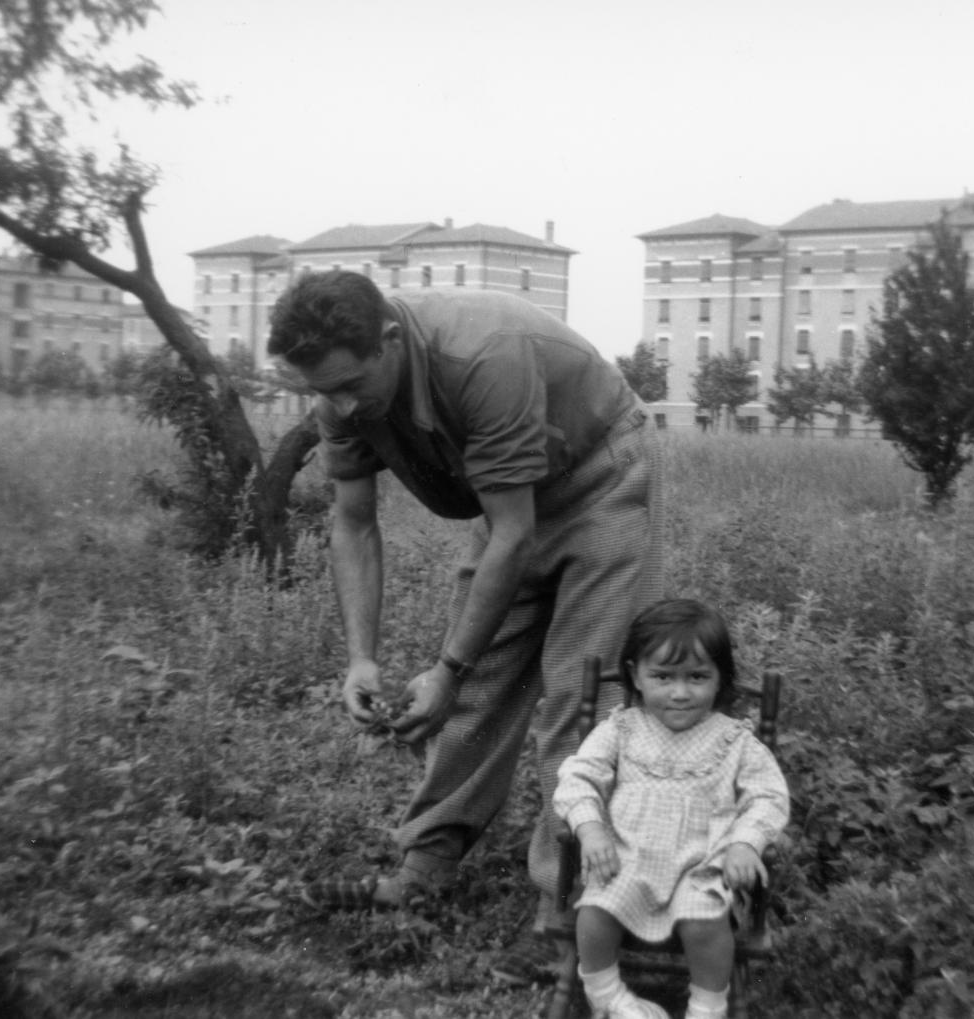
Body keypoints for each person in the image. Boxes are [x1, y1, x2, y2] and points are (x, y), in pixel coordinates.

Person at [266, 270, 665, 983]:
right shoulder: (341, 396)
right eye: (320, 391)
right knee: (475, 685)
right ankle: (427, 864)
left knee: (579, 698)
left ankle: (568, 916)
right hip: (510, 495)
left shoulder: (485, 354)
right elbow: (353, 522)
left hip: (599, 474)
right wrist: (362, 658)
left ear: (390, 339)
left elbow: (512, 534)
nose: (338, 405)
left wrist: (446, 669)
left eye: (349, 384)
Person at [553, 599, 790, 1019]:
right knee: (595, 911)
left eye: (697, 677)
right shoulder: (620, 729)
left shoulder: (735, 742)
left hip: (701, 868)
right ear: (636, 677)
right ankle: (606, 994)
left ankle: (706, 1006)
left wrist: (746, 844)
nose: (679, 693)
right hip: (626, 858)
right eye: (662, 676)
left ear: (720, 680)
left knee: (705, 922)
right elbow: (578, 777)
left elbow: (767, 796)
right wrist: (589, 829)